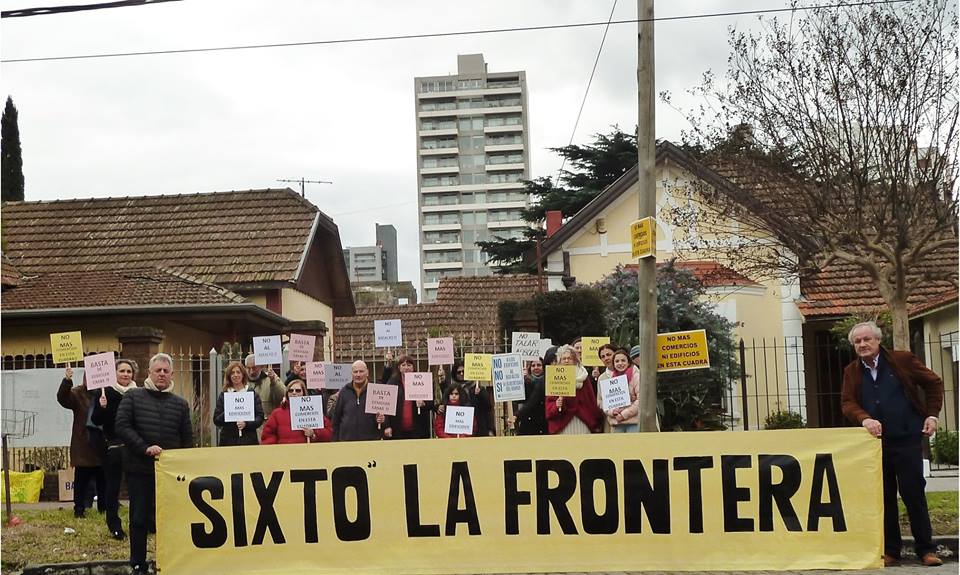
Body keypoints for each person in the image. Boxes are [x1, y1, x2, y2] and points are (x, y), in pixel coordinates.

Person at [840, 321, 944, 567]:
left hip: (907, 438)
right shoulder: (851, 371)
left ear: (878, 340)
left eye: (867, 339)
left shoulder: (903, 360)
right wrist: (864, 419)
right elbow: (847, 402)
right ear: (854, 346)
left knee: (913, 493)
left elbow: (933, 382)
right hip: (875, 444)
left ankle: (926, 550)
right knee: (883, 497)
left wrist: (932, 414)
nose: (863, 344)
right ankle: (891, 551)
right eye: (858, 341)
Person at [115, 353, 192, 574]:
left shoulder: (181, 404)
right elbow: (122, 426)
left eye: (165, 371)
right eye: (157, 370)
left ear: (171, 375)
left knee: (170, 521)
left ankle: (169, 562)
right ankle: (138, 563)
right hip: (140, 468)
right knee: (139, 518)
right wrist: (144, 447)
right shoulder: (132, 397)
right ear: (149, 373)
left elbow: (187, 439)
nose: (161, 374)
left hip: (169, 474)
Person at [91, 359, 139, 540]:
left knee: (137, 488)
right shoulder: (105, 393)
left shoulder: (139, 393)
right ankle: (114, 526)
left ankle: (141, 523)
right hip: (113, 446)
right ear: (115, 373)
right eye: (122, 371)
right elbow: (96, 420)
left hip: (134, 446)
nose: (126, 374)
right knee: (112, 488)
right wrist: (102, 408)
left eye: (129, 371)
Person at [57, 366, 106, 518]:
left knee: (103, 480)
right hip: (84, 445)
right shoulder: (78, 393)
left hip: (103, 444)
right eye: (88, 376)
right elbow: (63, 398)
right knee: (81, 480)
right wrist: (67, 380)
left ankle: (104, 509)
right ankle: (79, 509)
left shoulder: (106, 394)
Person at [545, 345, 603, 435]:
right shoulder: (554, 377)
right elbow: (550, 403)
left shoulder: (584, 378)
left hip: (583, 421)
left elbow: (590, 401)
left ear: (575, 360)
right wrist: (556, 405)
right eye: (564, 359)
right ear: (559, 361)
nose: (567, 361)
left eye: (570, 358)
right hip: (563, 423)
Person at [261, 379, 332, 444]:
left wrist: (314, 433)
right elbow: (268, 436)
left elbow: (329, 433)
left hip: (306, 453)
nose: (294, 393)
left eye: (298, 390)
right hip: (284, 454)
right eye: (291, 390)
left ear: (303, 393)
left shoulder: (314, 411)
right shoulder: (276, 414)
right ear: (287, 393)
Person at [331, 361, 388, 441]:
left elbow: (386, 420)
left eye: (361, 371)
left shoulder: (376, 391)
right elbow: (336, 419)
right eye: (355, 372)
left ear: (367, 372)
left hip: (370, 441)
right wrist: (335, 440)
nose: (358, 375)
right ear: (352, 374)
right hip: (347, 442)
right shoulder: (344, 392)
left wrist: (383, 420)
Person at [214, 360, 265, 446]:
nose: (235, 375)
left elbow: (260, 417)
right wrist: (229, 412)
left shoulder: (251, 394)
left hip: (249, 440)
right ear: (229, 376)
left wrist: (246, 423)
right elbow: (216, 420)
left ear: (243, 374)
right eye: (232, 373)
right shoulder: (224, 395)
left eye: (238, 372)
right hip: (228, 441)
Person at [384, 354, 433, 439]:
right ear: (399, 368)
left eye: (409, 365)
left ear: (413, 367)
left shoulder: (422, 381)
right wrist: (387, 425)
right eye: (403, 365)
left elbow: (431, 403)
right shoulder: (392, 382)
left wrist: (424, 403)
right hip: (397, 430)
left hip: (418, 429)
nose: (406, 367)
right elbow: (386, 406)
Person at [597, 348, 641, 433]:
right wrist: (612, 412)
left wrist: (624, 414)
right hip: (616, 422)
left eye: (623, 360)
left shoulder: (636, 376)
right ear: (613, 364)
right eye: (617, 361)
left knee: (633, 446)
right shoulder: (611, 380)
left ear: (628, 362)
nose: (620, 363)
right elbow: (603, 402)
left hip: (633, 422)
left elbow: (641, 400)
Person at [512, 356, 547, 436]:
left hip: (544, 423)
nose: (536, 368)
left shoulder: (548, 382)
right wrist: (521, 382)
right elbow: (517, 399)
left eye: (539, 365)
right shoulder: (525, 382)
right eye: (533, 365)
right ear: (529, 368)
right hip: (528, 423)